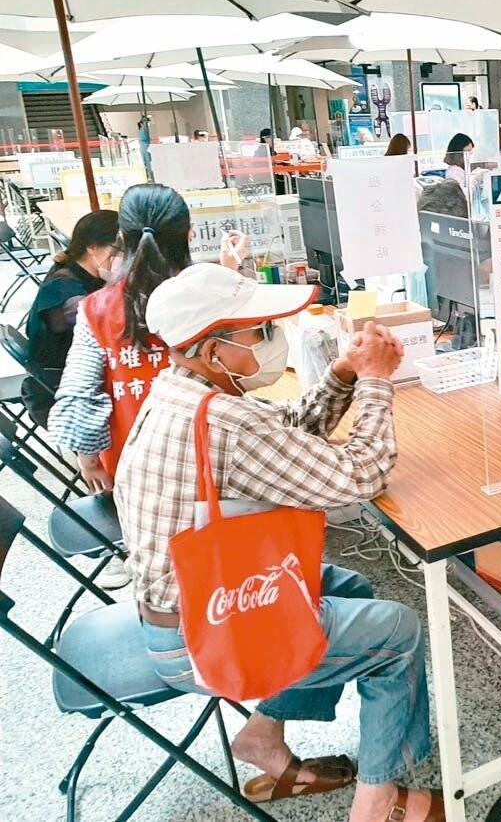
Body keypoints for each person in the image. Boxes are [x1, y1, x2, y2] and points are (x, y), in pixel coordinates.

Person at [117, 263, 442, 821]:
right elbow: (361, 474)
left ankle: (264, 735)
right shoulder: (226, 421)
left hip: (185, 609)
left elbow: (285, 434)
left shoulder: (181, 391)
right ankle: (378, 799)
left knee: (351, 584)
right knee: (399, 632)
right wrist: (376, 383)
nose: (274, 340)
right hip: (203, 640)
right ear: (209, 348)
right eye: (260, 331)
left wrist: (342, 374)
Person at [48, 184, 247, 493]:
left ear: (121, 239)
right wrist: (229, 272)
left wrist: (89, 461)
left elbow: (80, 392)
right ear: (189, 234)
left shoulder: (97, 308)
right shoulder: (210, 295)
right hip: (217, 460)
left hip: (135, 470)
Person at [22, 210, 118, 426]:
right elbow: (105, 329)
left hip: (62, 381)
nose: (125, 258)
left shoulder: (73, 273)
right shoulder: (68, 292)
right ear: (92, 247)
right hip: (59, 395)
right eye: (119, 250)